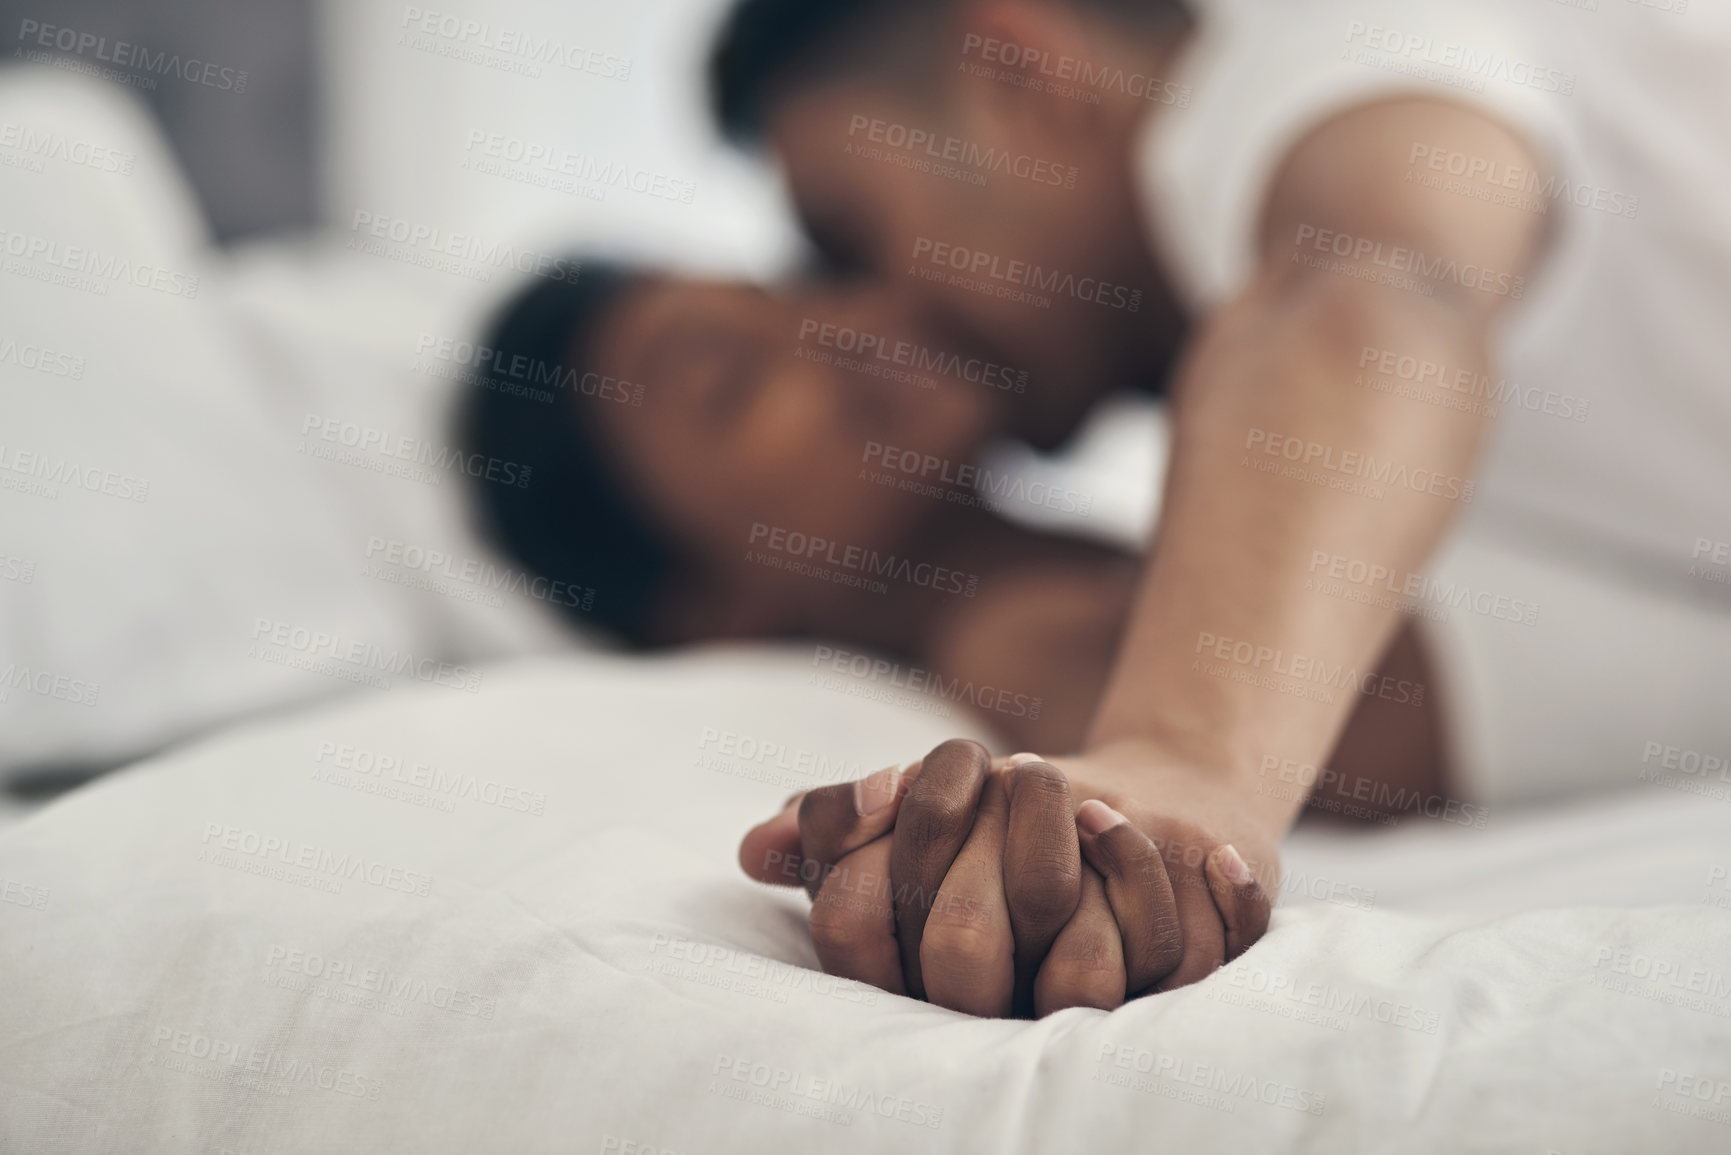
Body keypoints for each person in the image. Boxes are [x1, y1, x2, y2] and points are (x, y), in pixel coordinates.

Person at [713, 0, 1731, 1015]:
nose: (875, 322)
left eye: (848, 239)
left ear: (1017, 73)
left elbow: (1371, 281)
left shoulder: (1295, 55)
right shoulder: (1394, 454)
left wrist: (1181, 757)